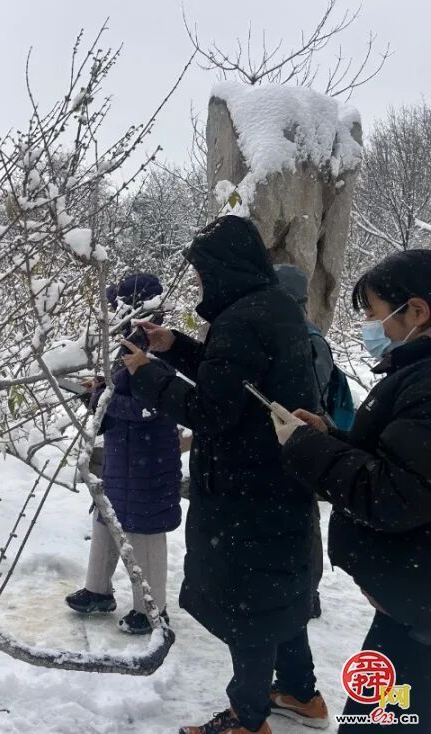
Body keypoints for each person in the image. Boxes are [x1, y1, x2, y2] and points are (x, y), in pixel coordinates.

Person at [121, 216, 326, 734]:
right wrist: (175, 345)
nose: (198, 281)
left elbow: (211, 409)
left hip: (245, 489)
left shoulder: (241, 320)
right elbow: (233, 376)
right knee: (281, 594)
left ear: (224, 268)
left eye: (202, 271)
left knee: (249, 606)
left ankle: (247, 719)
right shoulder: (274, 306)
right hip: (281, 480)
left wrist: (147, 375)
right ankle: (300, 692)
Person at [272, 250, 431, 731]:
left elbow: (394, 494)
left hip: (419, 621)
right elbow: (402, 462)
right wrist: (330, 437)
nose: (368, 325)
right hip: (409, 609)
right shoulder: (413, 373)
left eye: (373, 312)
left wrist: (306, 447)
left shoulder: (425, 384)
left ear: (417, 311)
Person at [65, 272, 182, 635]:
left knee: (144, 533)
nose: (114, 313)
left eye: (119, 306)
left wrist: (105, 399)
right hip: (121, 457)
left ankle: (151, 609)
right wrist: (97, 395)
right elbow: (121, 398)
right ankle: (97, 591)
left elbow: (151, 407)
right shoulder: (125, 346)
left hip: (149, 463)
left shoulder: (160, 350)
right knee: (107, 520)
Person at [274, 264, 338, 621]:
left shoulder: (306, 339)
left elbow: (313, 395)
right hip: (293, 436)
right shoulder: (303, 333)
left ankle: (307, 591)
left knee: (302, 513)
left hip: (303, 436)